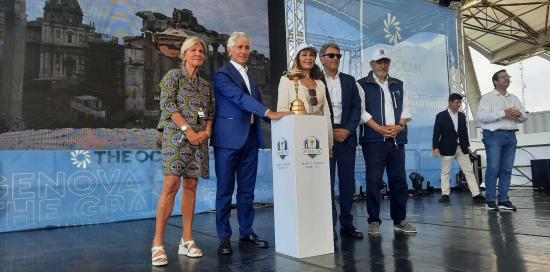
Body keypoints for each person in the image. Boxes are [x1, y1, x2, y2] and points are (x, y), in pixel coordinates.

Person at [212, 32, 292, 255]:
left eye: (247, 47)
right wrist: (269, 112)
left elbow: (258, 104)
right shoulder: (221, 75)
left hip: (250, 140)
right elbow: (240, 99)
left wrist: (286, 116)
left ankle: (246, 232)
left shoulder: (253, 78)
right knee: (225, 191)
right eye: (239, 47)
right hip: (227, 141)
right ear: (229, 50)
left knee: (247, 192)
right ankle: (224, 237)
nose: (244, 51)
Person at [152, 36, 214, 266]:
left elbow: (207, 113)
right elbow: (168, 105)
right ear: (185, 54)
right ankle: (157, 243)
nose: (198, 53)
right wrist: (188, 129)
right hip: (176, 137)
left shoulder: (205, 85)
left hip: (198, 140)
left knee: (191, 185)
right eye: (194, 50)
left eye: (201, 51)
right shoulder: (173, 77)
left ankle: (187, 239)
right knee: (171, 185)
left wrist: (205, 132)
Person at [357, 48, 416, 236]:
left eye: (385, 62)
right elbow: (361, 112)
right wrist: (379, 128)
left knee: (399, 181)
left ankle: (400, 220)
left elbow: (406, 110)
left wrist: (399, 126)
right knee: (374, 181)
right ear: (371, 65)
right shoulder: (362, 84)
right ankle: (374, 220)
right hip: (374, 139)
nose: (382, 65)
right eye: (379, 62)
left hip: (397, 138)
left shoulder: (398, 84)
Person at [319, 42, 362, 240]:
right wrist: (329, 131)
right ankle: (328, 226)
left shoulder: (349, 80)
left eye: (338, 56)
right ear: (322, 58)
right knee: (325, 183)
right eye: (331, 55)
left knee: (347, 183)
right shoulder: (315, 79)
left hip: (346, 137)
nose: (335, 58)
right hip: (323, 136)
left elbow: (356, 107)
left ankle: (347, 225)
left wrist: (348, 130)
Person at [478, 69, 527, 211]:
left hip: (511, 135)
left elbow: (525, 117)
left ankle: (503, 200)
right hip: (493, 136)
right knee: (494, 167)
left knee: (507, 168)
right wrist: (503, 113)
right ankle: (490, 199)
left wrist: (519, 115)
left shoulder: (514, 98)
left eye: (508, 76)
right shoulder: (487, 98)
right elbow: (481, 117)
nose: (507, 79)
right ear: (495, 81)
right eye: (503, 77)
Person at [276, 43, 333, 150]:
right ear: (298, 57)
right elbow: (281, 109)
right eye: (304, 54)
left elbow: (325, 114)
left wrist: (329, 144)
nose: (308, 58)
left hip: (318, 136)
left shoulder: (320, 83)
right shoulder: (286, 79)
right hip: (297, 136)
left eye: (311, 55)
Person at [433, 93, 486, 203]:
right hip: (447, 148)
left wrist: (468, 147)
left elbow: (464, 134)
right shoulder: (441, 116)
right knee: (445, 172)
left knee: (469, 171)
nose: (459, 105)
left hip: (462, 148)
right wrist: (435, 147)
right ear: (450, 102)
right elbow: (436, 133)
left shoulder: (462, 116)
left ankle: (476, 194)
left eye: (460, 102)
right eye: (457, 102)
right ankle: (445, 195)